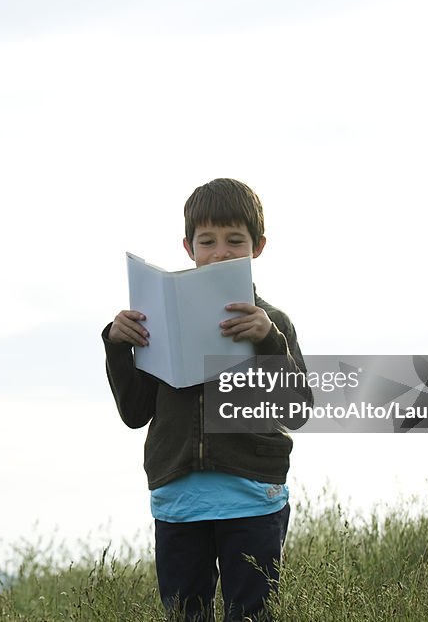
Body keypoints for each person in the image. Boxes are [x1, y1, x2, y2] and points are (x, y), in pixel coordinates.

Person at [102, 178, 312, 622]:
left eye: (235, 241)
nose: (220, 252)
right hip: (179, 496)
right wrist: (118, 347)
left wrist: (270, 343)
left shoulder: (273, 322)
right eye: (207, 241)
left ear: (257, 247)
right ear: (188, 246)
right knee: (185, 615)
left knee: (252, 615)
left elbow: (298, 410)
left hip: (254, 494)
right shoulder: (157, 319)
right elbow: (135, 413)